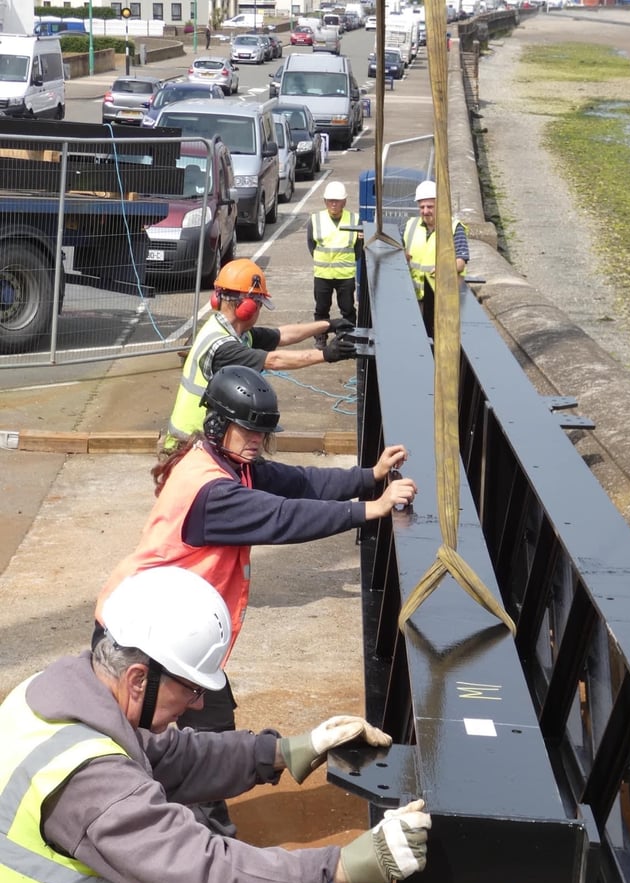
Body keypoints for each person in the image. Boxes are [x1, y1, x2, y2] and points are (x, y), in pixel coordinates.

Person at [0, 565, 431, 883]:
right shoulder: (90, 785)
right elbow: (207, 871)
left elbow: (169, 756)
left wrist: (283, 751)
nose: (200, 703)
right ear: (140, 679)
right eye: (191, 688)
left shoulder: (51, 698)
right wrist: (343, 864)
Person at [95, 365, 417, 835]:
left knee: (190, 727)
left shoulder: (225, 460)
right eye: (248, 429)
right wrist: (371, 509)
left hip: (158, 624)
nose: (255, 440)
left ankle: (186, 825)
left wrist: (369, 476)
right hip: (141, 635)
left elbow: (296, 483)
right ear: (217, 424)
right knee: (188, 734)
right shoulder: (212, 490)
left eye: (262, 432)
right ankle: (201, 841)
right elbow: (283, 517)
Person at [165, 258, 357, 451]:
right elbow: (274, 360)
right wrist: (327, 354)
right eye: (260, 305)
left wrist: (328, 325)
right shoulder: (224, 346)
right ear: (249, 306)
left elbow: (282, 335)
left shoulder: (230, 330)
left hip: (203, 439)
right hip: (188, 445)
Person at [402, 179, 470, 338]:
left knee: (439, 341)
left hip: (442, 299)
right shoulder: (410, 225)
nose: (425, 211)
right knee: (416, 339)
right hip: (414, 297)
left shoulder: (454, 228)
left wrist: (445, 269)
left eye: (430, 206)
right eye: (422, 207)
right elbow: (397, 248)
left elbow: (461, 260)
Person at [307, 180, 363, 350]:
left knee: (347, 309)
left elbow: (358, 250)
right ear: (325, 201)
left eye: (337, 200)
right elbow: (311, 244)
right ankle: (320, 338)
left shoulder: (354, 219)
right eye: (330, 200)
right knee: (321, 309)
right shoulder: (316, 219)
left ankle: (347, 336)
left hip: (345, 275)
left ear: (344, 202)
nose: (333, 203)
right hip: (322, 275)